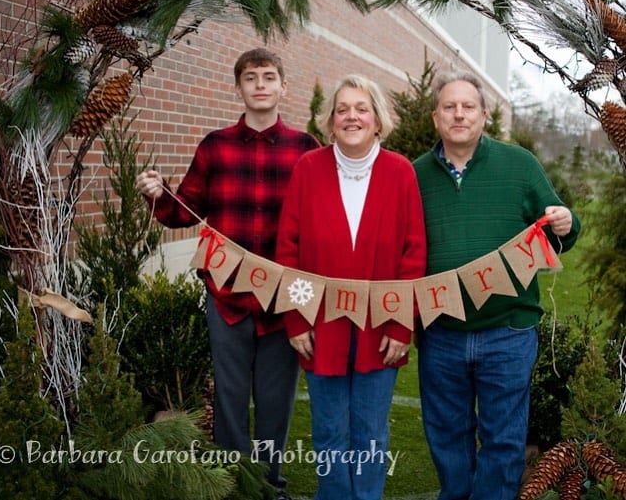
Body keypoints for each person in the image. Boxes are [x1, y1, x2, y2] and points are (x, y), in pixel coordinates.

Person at [136, 48, 319, 500]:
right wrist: (158, 194)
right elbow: (184, 212)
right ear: (238, 87)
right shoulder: (215, 146)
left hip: (284, 297)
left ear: (282, 87)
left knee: (276, 401)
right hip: (227, 294)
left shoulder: (306, 149)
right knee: (230, 399)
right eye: (251, 77)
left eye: (269, 76)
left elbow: (321, 218)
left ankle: (270, 483)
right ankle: (235, 484)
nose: (260, 84)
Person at [412, 70, 581, 500]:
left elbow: (562, 226)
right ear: (436, 118)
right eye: (449, 107)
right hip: (440, 330)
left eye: (468, 106)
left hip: (507, 331)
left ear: (484, 115)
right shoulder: (413, 176)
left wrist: (566, 221)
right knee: (447, 438)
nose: (459, 114)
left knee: (503, 441)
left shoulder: (519, 165)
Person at [276, 74, 427, 500]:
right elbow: (289, 251)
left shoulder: (400, 172)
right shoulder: (309, 169)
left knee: (370, 433)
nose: (352, 116)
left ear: (378, 120)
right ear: (331, 121)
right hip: (320, 325)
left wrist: (401, 327)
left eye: (362, 108)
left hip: (380, 327)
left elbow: (413, 256)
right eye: (343, 109)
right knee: (327, 432)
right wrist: (296, 319)